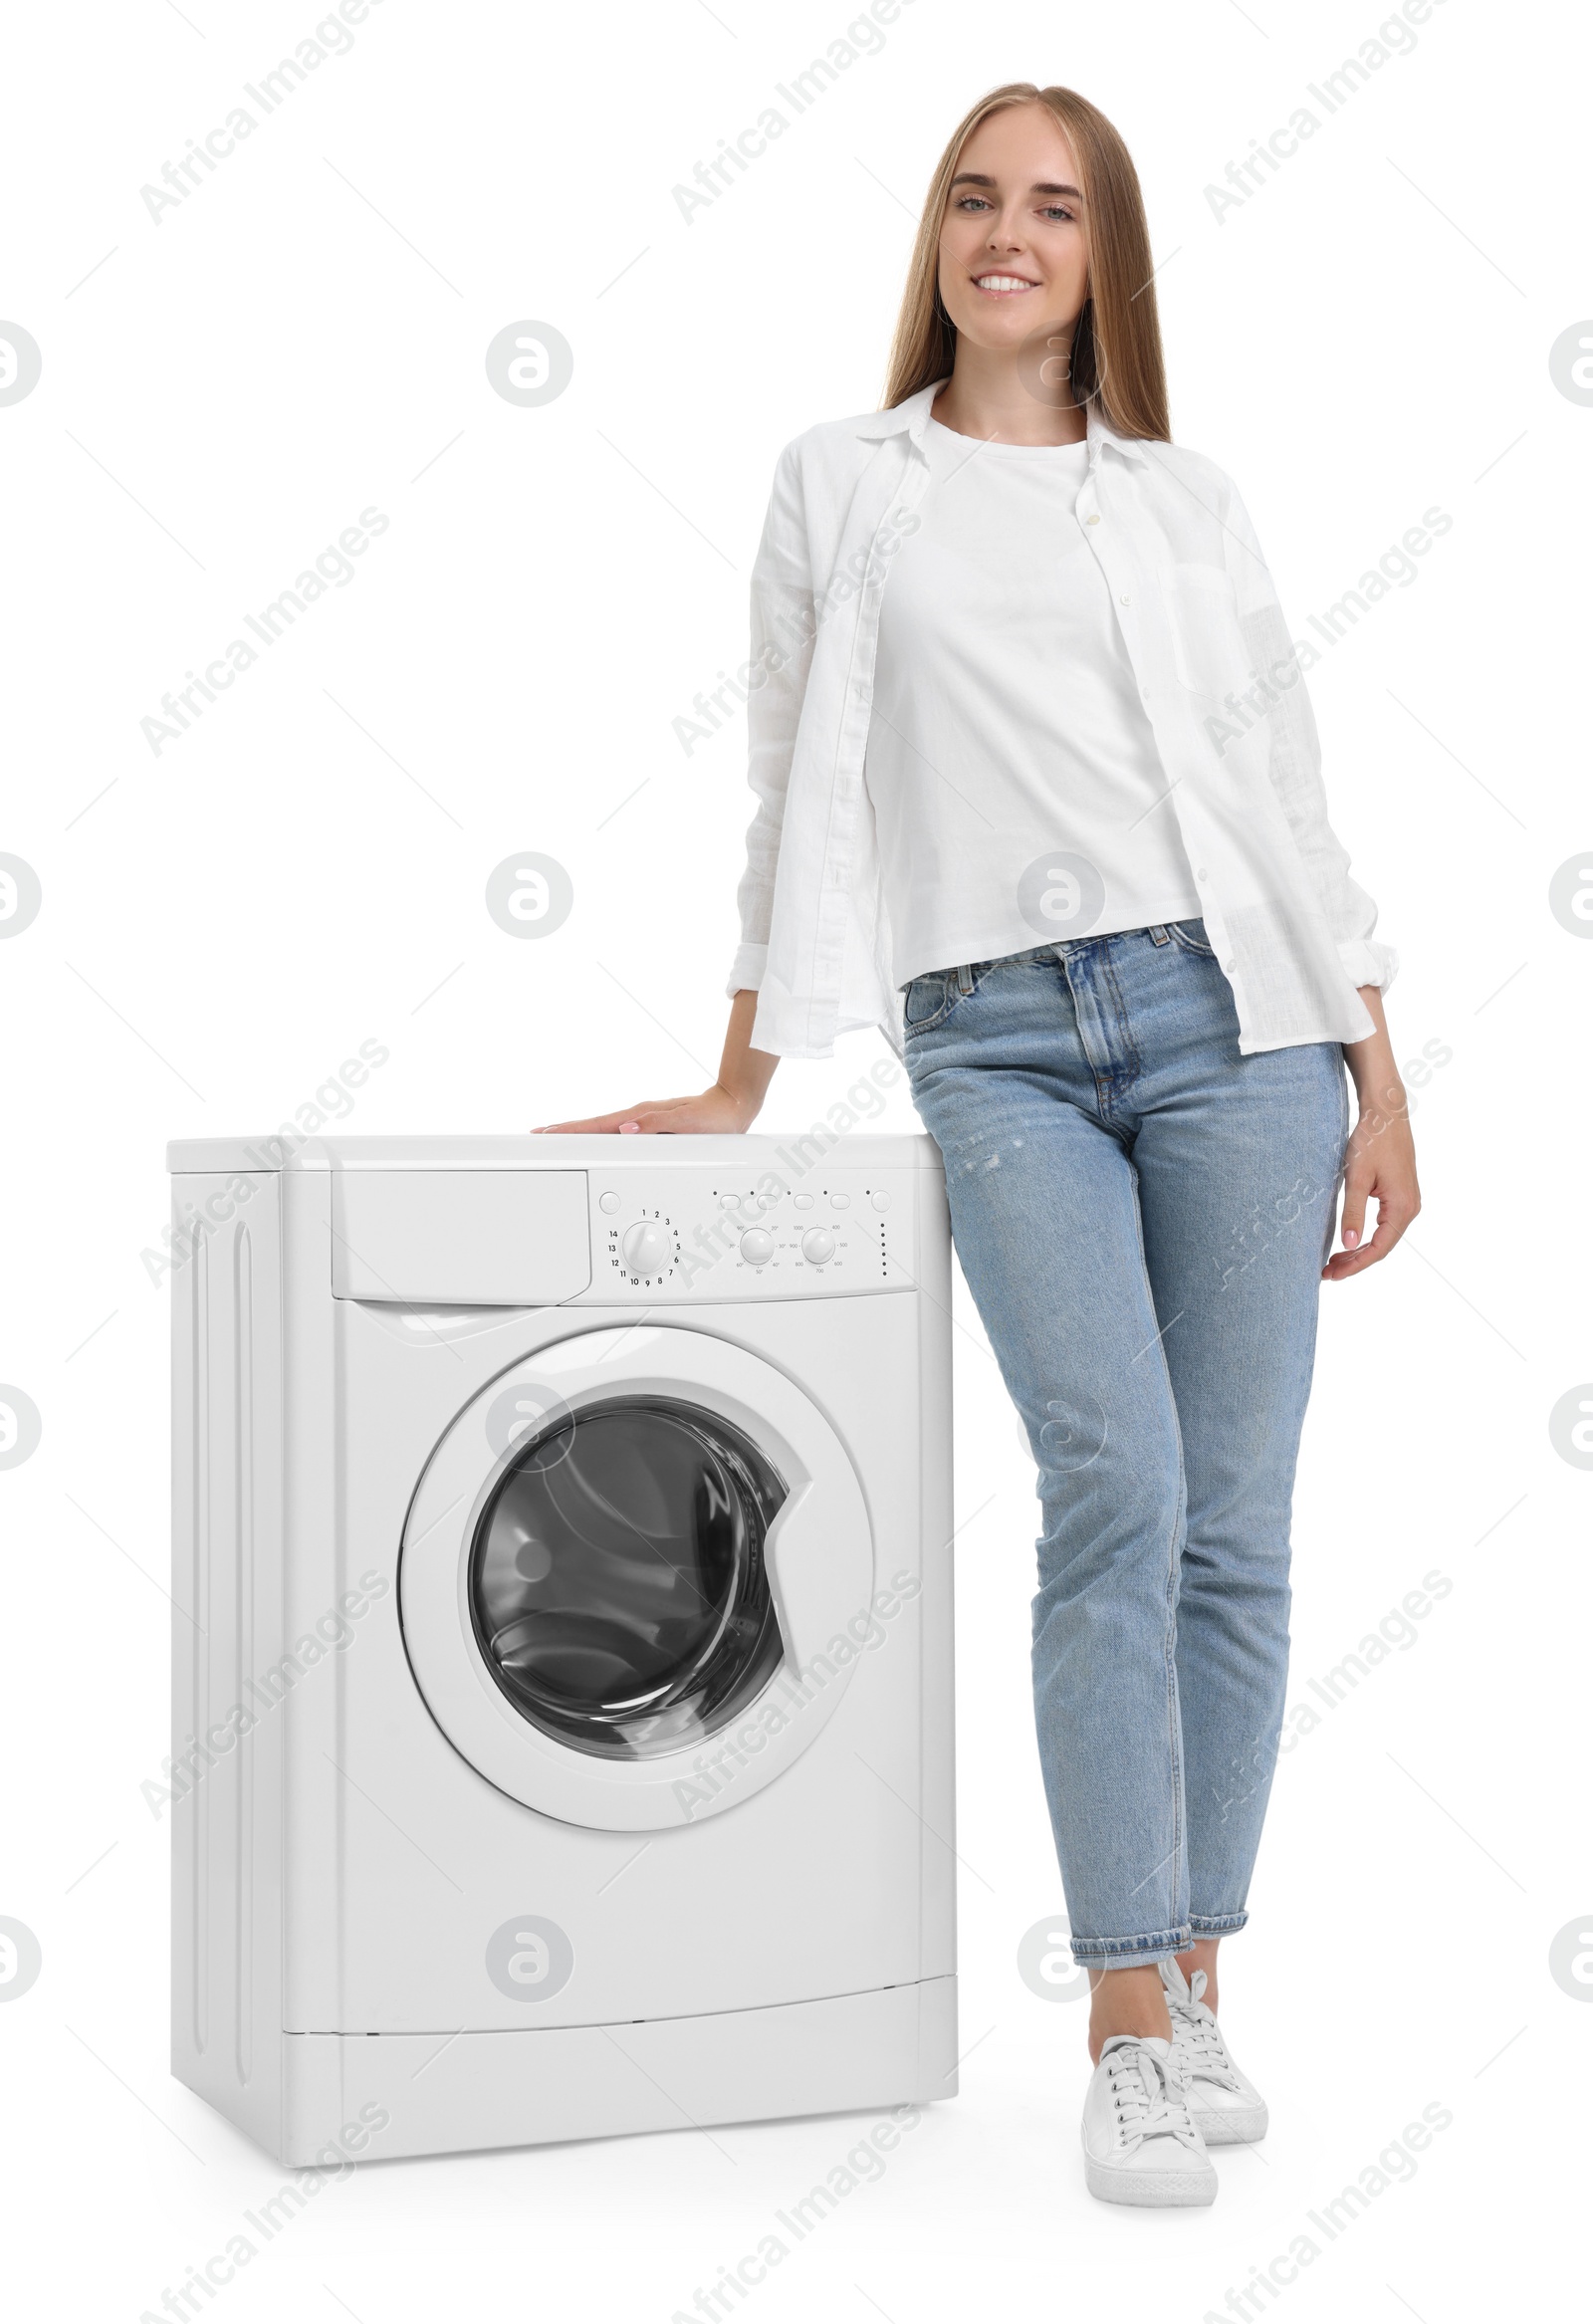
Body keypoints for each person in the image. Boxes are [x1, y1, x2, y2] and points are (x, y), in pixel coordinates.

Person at [542, 81, 1419, 2208]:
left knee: (1234, 1520)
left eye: (1050, 207)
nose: (1004, 233)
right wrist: (740, 1074)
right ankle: (1124, 2010)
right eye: (971, 198)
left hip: (1235, 1025)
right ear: (934, 236)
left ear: (1104, 255)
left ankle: (1193, 1976)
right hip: (994, 1044)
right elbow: (788, 790)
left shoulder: (1182, 502)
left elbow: (1283, 793)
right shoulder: (841, 484)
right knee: (1107, 1481)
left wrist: (1376, 1067)